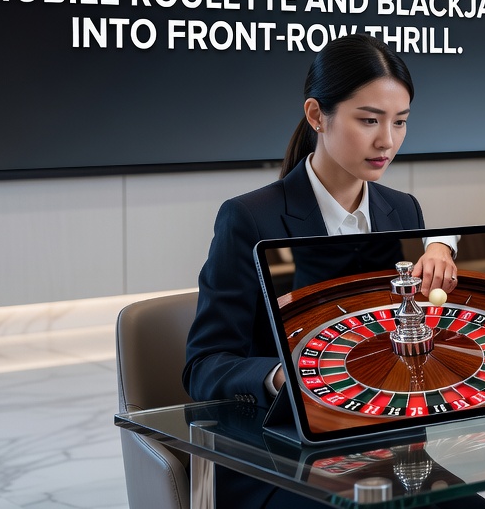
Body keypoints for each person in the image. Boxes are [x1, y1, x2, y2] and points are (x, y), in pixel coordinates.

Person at [183, 33, 466, 508]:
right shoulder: (249, 218)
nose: (387, 141)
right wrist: (283, 374)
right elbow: (204, 366)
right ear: (317, 115)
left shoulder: (403, 211)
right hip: (280, 458)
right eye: (369, 121)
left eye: (400, 122)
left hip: (385, 450)